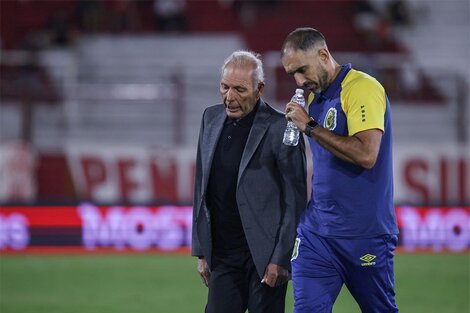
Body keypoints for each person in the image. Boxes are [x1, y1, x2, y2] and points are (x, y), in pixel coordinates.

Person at [281, 27, 399, 312]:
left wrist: (310, 127)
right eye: (292, 74)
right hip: (317, 234)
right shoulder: (315, 99)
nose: (299, 81)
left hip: (364, 234)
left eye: (302, 70)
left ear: (323, 55)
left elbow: (366, 153)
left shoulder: (362, 88)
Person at [192, 50, 307, 313]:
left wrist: (281, 259)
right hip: (223, 256)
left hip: (265, 259)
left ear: (259, 89)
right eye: (225, 87)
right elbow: (201, 186)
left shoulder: (281, 128)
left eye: (240, 90)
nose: (229, 97)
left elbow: (295, 200)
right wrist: (201, 250)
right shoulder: (210, 119)